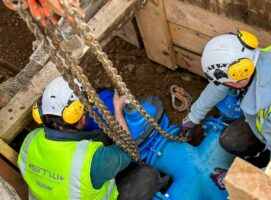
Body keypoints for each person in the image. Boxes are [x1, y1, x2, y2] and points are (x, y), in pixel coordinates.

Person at [181, 30, 271, 167]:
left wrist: (238, 179)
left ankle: (262, 157)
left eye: (223, 82)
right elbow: (218, 86)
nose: (220, 84)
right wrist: (194, 117)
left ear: (236, 80)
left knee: (232, 141)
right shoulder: (258, 58)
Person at [18, 76, 163, 200]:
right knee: (148, 176)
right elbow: (129, 150)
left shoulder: (30, 140)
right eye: (85, 110)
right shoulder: (90, 160)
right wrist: (118, 110)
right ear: (78, 117)